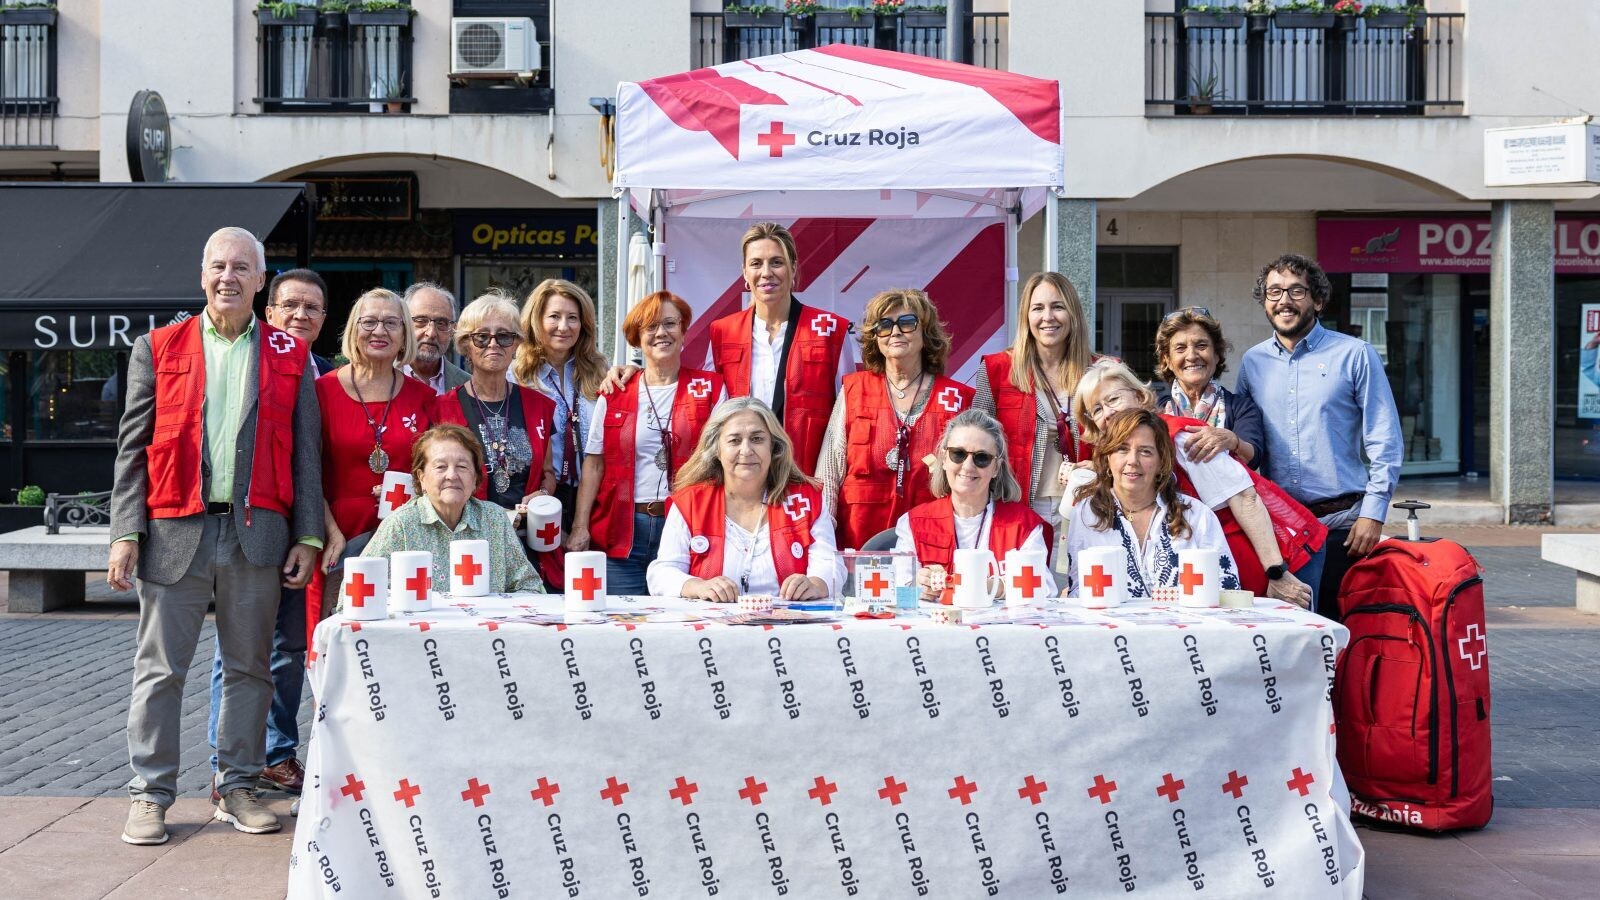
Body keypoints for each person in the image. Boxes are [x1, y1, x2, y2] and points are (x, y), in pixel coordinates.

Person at [108, 227, 323, 845]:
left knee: (250, 669)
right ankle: (149, 795)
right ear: (203, 276)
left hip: (257, 533)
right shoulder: (158, 347)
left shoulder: (291, 355)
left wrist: (307, 536)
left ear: (262, 280)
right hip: (174, 529)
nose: (228, 276)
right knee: (160, 670)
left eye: (241, 267)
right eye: (217, 266)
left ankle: (238, 786)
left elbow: (306, 454)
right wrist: (126, 531)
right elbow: (133, 448)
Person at [202, 268, 333, 800]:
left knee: (287, 646)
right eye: (291, 306)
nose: (301, 315)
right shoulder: (244, 362)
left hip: (303, 532)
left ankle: (275, 753)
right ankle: (223, 761)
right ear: (269, 310)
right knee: (237, 649)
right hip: (249, 527)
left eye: (313, 309)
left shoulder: (326, 375)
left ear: (325, 321)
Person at [1236, 253, 1403, 617]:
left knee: (1343, 632)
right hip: (1283, 528)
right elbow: (1250, 444)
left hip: (1345, 526)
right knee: (1292, 634)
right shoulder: (1252, 363)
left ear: (1318, 300)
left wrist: (1373, 513)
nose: (1284, 300)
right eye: (1274, 291)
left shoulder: (1355, 354)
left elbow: (1384, 439)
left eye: (1296, 291)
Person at [1074, 360, 1315, 607]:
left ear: (1138, 396)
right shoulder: (1116, 458)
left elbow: (1245, 498)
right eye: (1097, 409)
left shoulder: (1181, 438)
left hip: (1280, 559)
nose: (1109, 412)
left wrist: (1277, 572)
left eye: (1113, 400)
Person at [569, 291, 725, 594]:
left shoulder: (710, 388)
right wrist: (579, 526)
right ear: (636, 337)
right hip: (621, 529)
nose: (661, 333)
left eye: (670, 323)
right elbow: (594, 463)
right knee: (621, 623)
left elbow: (722, 461)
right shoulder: (615, 392)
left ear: (683, 331)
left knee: (679, 627)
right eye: (651, 326)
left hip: (687, 528)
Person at [309, 288, 437, 639]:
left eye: (391, 323)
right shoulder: (322, 391)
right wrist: (329, 532)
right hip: (335, 534)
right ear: (354, 329)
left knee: (398, 638)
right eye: (369, 322)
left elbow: (434, 471)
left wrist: (415, 489)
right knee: (335, 640)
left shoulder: (424, 398)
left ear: (404, 335)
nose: (379, 331)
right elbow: (307, 472)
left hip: (404, 536)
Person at [817, 288, 974, 551]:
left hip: (930, 546)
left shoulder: (957, 398)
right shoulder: (854, 390)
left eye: (907, 323)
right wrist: (822, 543)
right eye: (885, 325)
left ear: (926, 333)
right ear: (875, 337)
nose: (895, 332)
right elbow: (829, 476)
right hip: (857, 546)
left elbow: (972, 483)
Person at [648, 397, 842, 600]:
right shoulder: (690, 503)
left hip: (789, 627)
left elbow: (831, 564)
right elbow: (661, 574)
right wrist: (698, 587)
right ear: (717, 450)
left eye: (757, 439)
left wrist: (815, 584)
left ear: (773, 447)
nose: (746, 450)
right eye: (734, 440)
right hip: (713, 629)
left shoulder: (807, 500)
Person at [973, 272, 1102, 567]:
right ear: (1025, 316)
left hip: (1089, 509)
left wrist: (1101, 465)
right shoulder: (996, 369)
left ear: (1072, 313)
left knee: (1081, 594)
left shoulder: (1102, 371)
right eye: (1038, 308)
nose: (1048, 317)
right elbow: (977, 442)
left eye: (1058, 306)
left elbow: (1128, 437)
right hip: (1017, 510)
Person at [435, 291, 560, 585]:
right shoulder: (440, 409)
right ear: (465, 345)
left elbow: (549, 475)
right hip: (466, 545)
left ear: (516, 344)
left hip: (528, 544)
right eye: (481, 337)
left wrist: (542, 495)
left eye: (504, 336)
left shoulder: (540, 406)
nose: (493, 344)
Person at [709, 222, 854, 475]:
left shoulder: (830, 329)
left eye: (776, 262)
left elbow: (847, 414)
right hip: (743, 476)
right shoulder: (723, 331)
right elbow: (708, 407)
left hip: (806, 477)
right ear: (744, 272)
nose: (766, 272)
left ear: (793, 268)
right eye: (756, 263)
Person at [1065, 408, 1239, 599]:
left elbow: (1226, 589)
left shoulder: (1197, 515)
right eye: (1122, 449)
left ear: (1161, 461)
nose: (1132, 461)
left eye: (1145, 452)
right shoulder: (1086, 514)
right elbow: (1079, 591)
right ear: (1107, 457)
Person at [362, 424, 545, 594]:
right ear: (422, 478)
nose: (452, 475)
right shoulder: (399, 525)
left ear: (475, 479)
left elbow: (530, 587)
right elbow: (356, 594)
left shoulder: (495, 520)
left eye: (462, 466)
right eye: (441, 466)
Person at [895, 409, 1056, 601]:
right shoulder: (913, 523)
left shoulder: (1024, 526)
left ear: (996, 467)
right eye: (958, 454)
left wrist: (993, 587)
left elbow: (1045, 589)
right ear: (944, 459)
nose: (968, 466)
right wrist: (916, 586)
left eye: (982, 458)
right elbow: (894, 592)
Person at [511, 278, 607, 531]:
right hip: (540, 497)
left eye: (572, 318)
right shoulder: (515, 376)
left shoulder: (600, 372)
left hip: (594, 496)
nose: (563, 327)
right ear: (537, 320)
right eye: (554, 316)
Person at [1154, 306, 1267, 470]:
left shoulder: (1241, 407)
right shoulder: (1155, 410)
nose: (1192, 356)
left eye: (1201, 345)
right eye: (1180, 348)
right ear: (1168, 361)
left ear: (1217, 354)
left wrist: (1233, 441)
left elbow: (1254, 456)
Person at [402, 282, 470, 394]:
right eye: (421, 321)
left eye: (441, 323)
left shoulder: (467, 386)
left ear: (453, 330)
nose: (431, 333)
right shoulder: (382, 378)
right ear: (404, 323)